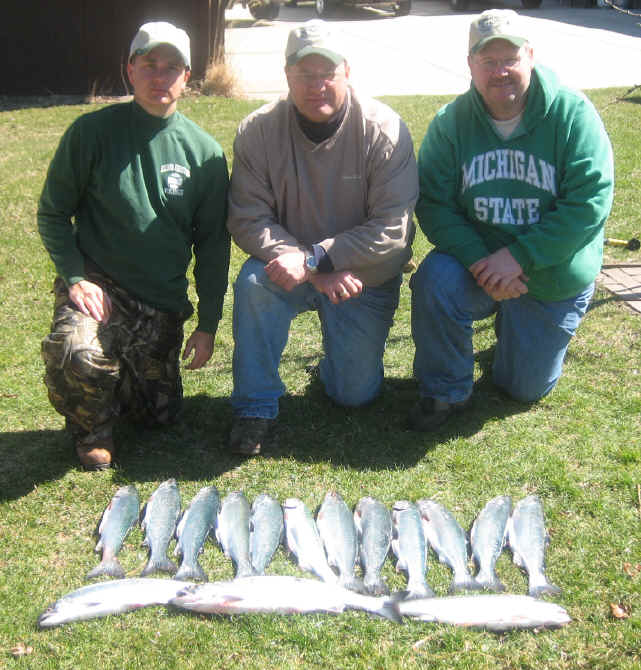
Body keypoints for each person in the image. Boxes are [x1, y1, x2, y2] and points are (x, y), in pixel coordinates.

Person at [409, 9, 614, 432]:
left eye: (510, 59)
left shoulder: (572, 114)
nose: (499, 71)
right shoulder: (451, 123)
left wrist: (519, 256)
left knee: (520, 388)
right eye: (488, 61)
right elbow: (433, 202)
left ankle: (521, 327)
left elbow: (589, 202)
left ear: (531, 57)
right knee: (434, 279)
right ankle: (446, 389)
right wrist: (481, 261)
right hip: (480, 265)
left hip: (552, 273)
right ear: (470, 65)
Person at [38, 21, 231, 469]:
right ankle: (92, 431)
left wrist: (208, 323)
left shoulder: (204, 153)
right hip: (99, 288)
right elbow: (52, 213)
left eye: (171, 67)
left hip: (160, 301)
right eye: (149, 65)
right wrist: (75, 277)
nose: (159, 77)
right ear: (129, 69)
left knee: (157, 416)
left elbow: (213, 245)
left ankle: (122, 381)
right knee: (76, 353)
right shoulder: (90, 133)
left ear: (187, 76)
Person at [226, 20, 418, 455]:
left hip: (361, 277)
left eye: (327, 73)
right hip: (289, 269)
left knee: (355, 395)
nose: (317, 85)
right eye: (304, 74)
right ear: (287, 75)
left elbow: (393, 231)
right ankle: (255, 407)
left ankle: (332, 371)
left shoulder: (385, 129)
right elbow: (248, 217)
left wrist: (315, 259)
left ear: (346, 71)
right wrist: (310, 268)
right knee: (254, 283)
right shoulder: (257, 130)